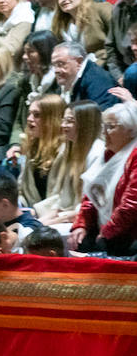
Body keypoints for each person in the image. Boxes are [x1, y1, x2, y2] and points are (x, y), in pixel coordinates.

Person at [70, 101, 137, 255]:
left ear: (130, 131)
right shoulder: (107, 153)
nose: (104, 133)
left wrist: (106, 232)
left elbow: (131, 205)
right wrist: (81, 224)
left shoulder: (134, 156)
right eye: (103, 127)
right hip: (105, 227)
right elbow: (91, 195)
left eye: (111, 127)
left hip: (129, 233)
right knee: (79, 240)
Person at [52, 40, 121, 111]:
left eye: (60, 64)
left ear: (79, 61)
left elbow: (99, 116)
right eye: (54, 65)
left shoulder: (98, 81)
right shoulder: (70, 78)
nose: (56, 70)